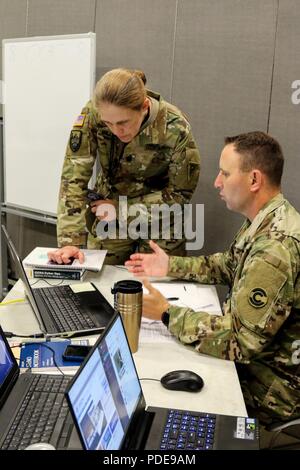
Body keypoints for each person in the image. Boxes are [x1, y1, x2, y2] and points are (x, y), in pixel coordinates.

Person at [125, 131, 300, 427]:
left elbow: (239, 341)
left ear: (254, 180)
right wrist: (170, 265)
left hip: (268, 394)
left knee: (152, 403)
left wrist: (167, 313)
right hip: (255, 369)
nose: (217, 182)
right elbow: (227, 265)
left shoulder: (275, 248)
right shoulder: (267, 220)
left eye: (225, 173)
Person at [50, 68, 200, 265]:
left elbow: (179, 195)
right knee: (102, 279)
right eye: (108, 124)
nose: (116, 130)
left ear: (144, 106)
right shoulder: (94, 114)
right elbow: (73, 178)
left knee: (160, 287)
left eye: (123, 122)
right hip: (109, 214)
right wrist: (71, 242)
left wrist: (122, 210)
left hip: (160, 219)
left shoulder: (175, 127)